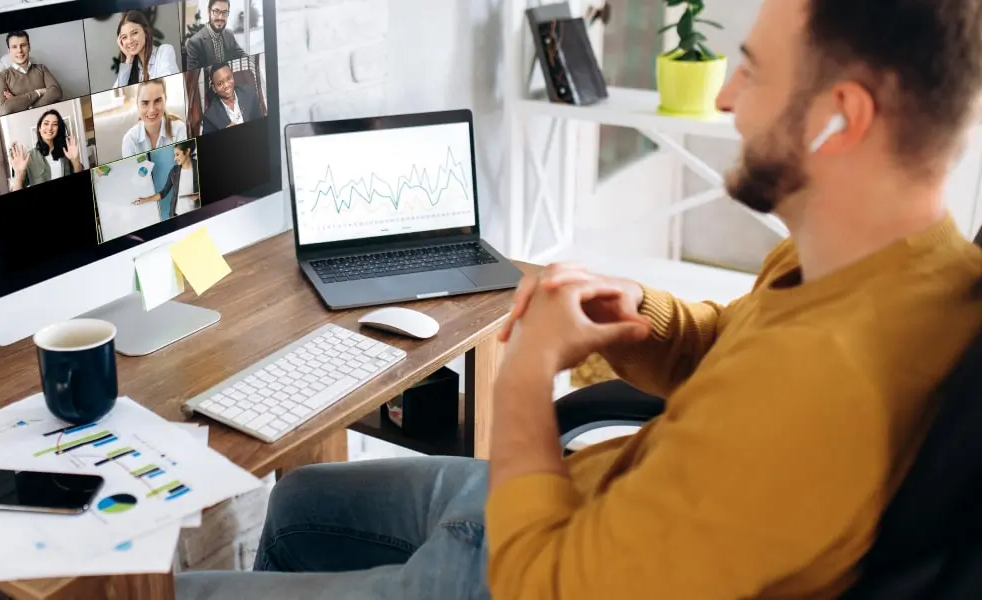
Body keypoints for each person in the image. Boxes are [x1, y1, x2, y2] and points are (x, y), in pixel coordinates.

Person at [173, 0, 982, 598]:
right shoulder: (892, 270)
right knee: (298, 506)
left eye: (755, 70)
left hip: (529, 567)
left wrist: (527, 373)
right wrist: (634, 316)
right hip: (580, 493)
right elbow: (731, 349)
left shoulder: (824, 386)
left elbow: (543, 585)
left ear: (840, 120)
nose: (728, 97)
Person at [9, 109, 82, 192]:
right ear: (39, 128)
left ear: (58, 129)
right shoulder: (29, 157)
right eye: (46, 123)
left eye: (54, 124)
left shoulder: (67, 152)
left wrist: (75, 160)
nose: (50, 128)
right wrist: (18, 173)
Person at [0, 31, 63, 117]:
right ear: (9, 51)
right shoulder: (1, 77)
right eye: (14, 47)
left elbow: (57, 92)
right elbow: (4, 109)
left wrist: (20, 103)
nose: (19, 50)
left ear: (29, 47)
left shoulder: (41, 68)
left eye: (23, 45)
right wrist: (38, 92)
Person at [121, 79, 188, 159]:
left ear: (165, 100)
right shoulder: (130, 140)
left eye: (157, 101)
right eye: (145, 103)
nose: (152, 110)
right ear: (137, 104)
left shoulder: (179, 129)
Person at [112, 10, 180, 88]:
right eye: (124, 37)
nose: (130, 41)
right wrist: (129, 59)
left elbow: (167, 86)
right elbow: (118, 91)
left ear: (145, 31)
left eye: (134, 33)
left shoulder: (165, 51)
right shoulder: (132, 65)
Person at [135, 142, 200, 219]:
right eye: (174, 155)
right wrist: (145, 200)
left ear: (187, 151)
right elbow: (164, 192)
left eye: (177, 154)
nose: (175, 159)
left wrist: (199, 195)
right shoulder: (174, 171)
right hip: (176, 215)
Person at [185, 0, 247, 71]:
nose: (220, 17)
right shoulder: (194, 43)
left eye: (224, 13)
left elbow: (242, 55)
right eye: (216, 12)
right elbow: (193, 76)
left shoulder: (229, 34)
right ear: (209, 12)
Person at [201, 64, 262, 134]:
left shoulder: (250, 93)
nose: (226, 85)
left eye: (228, 78)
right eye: (220, 83)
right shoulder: (210, 117)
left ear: (232, 76)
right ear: (214, 88)